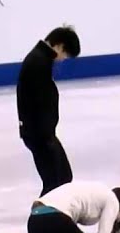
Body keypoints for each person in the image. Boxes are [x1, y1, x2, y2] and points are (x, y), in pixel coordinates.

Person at [16, 26, 82, 196]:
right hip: (39, 135)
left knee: (62, 179)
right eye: (65, 54)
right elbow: (36, 101)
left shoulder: (41, 59)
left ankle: (48, 218)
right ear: (59, 46)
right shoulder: (38, 62)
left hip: (42, 133)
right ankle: (42, 219)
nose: (62, 59)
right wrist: (45, 134)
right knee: (56, 184)